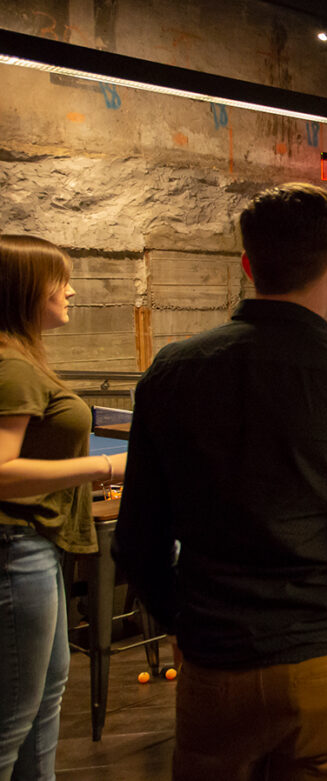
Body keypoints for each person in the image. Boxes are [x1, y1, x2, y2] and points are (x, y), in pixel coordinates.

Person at [113, 183, 327, 780]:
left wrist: (183, 622)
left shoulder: (171, 372)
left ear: (248, 266)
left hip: (214, 660)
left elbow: (135, 540)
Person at [1, 235, 127, 780]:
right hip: (15, 549)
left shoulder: (22, 359)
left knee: (43, 701)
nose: (71, 291)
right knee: (12, 721)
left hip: (34, 545)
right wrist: (107, 467)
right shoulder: (12, 367)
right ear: (27, 289)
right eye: (61, 280)